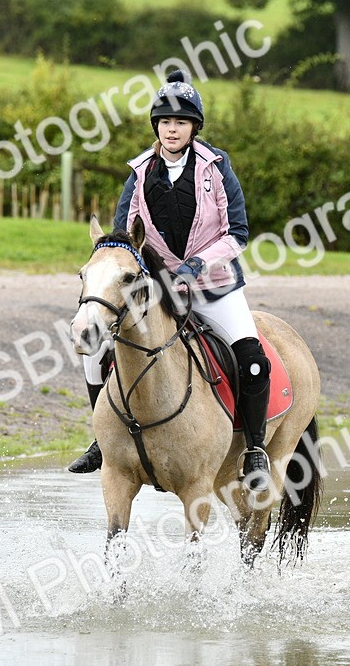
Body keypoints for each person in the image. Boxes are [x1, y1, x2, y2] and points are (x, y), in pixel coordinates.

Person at [68, 69, 274, 492]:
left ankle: (254, 448)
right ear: (156, 127)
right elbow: (123, 235)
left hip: (214, 285)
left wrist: (197, 265)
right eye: (165, 122)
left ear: (194, 127)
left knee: (252, 357)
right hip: (157, 287)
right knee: (95, 351)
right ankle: (102, 441)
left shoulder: (217, 168)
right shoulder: (141, 172)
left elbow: (237, 233)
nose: (172, 129)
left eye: (180, 122)